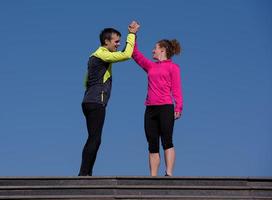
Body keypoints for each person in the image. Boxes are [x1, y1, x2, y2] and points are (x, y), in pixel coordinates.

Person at [79, 21, 140, 176]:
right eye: (116, 41)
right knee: (95, 138)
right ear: (106, 41)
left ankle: (86, 173)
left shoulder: (95, 56)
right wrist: (132, 34)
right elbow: (126, 54)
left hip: (89, 100)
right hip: (96, 102)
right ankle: (84, 174)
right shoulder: (102, 54)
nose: (118, 44)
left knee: (94, 138)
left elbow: (86, 81)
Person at [131, 23, 183, 176]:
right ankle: (153, 177)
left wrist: (178, 107)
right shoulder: (150, 66)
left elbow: (177, 89)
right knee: (152, 144)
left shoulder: (173, 68)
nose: (153, 50)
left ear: (163, 50)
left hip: (166, 107)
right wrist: (133, 34)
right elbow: (135, 54)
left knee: (167, 141)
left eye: (155, 48)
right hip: (150, 109)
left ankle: (168, 174)